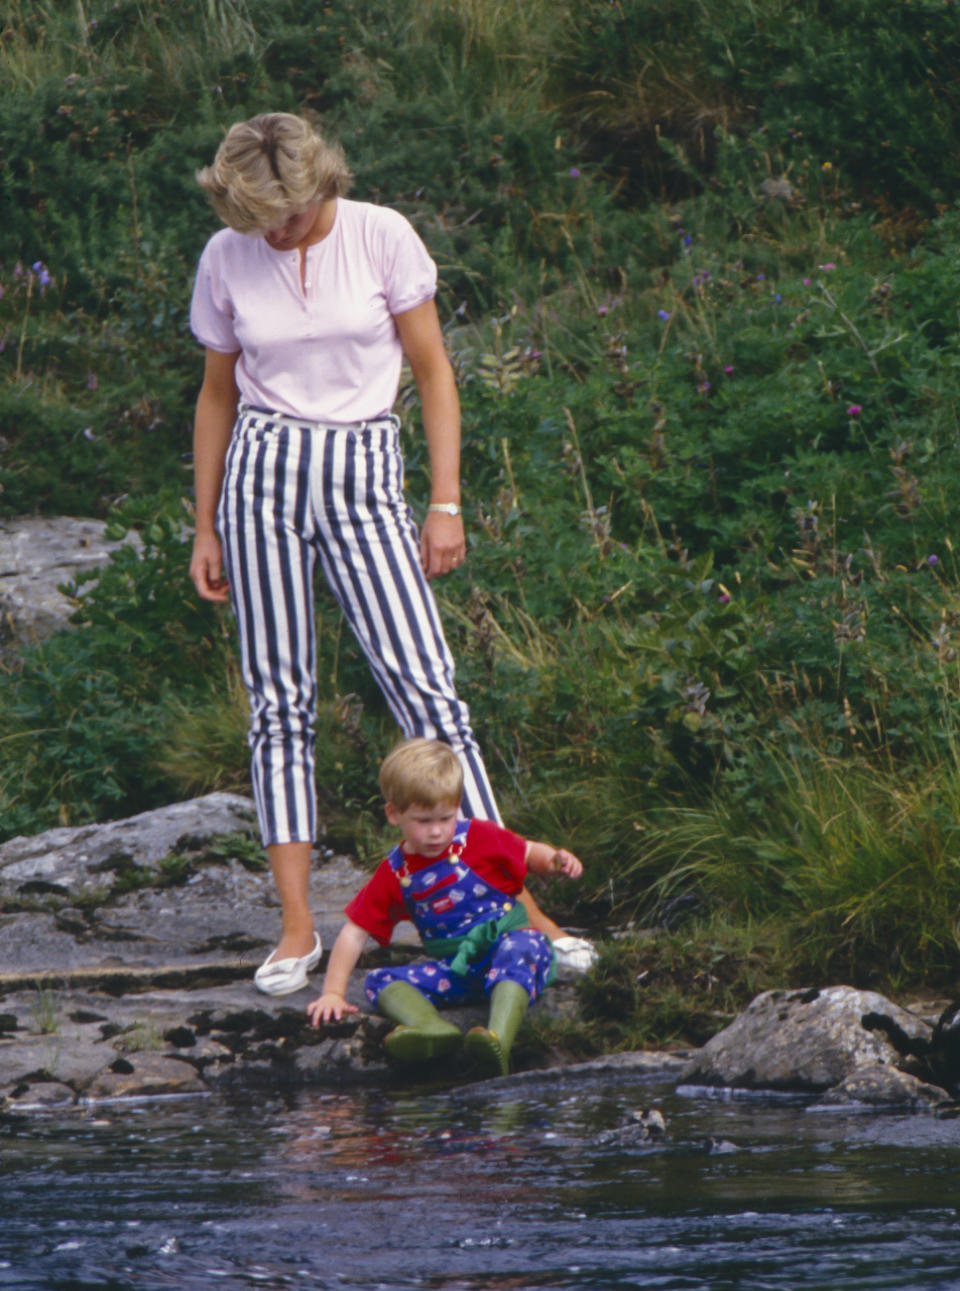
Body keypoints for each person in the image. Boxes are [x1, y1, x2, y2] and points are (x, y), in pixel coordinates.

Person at [187, 112, 595, 995]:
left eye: (282, 216)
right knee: (278, 699)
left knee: (428, 687)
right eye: (252, 217)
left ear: (316, 185)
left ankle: (521, 912)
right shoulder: (226, 254)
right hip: (260, 472)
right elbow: (217, 394)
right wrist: (206, 522)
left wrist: (444, 502)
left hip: (364, 467)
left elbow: (436, 369)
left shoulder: (382, 235)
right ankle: (299, 925)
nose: (270, 233)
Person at [306, 739, 584, 1076]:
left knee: (522, 944)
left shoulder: (478, 837)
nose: (436, 831)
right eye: (423, 821)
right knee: (378, 981)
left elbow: (526, 852)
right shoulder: (396, 872)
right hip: (458, 970)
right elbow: (355, 931)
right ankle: (431, 1028)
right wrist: (333, 992)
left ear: (457, 807)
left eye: (446, 817)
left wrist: (554, 860)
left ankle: (498, 1038)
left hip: (510, 954)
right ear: (394, 813)